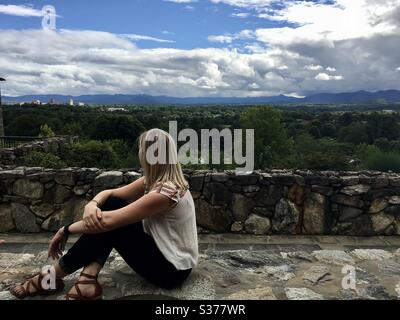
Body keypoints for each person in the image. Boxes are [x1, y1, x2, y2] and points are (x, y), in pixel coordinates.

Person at [10, 129, 198, 300]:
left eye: (141, 148)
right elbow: (111, 194)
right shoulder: (157, 181)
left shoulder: (166, 192)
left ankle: (49, 277)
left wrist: (65, 230)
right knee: (111, 208)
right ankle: (86, 280)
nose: (139, 152)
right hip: (164, 256)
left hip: (170, 271)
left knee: (110, 224)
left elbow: (108, 222)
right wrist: (92, 204)